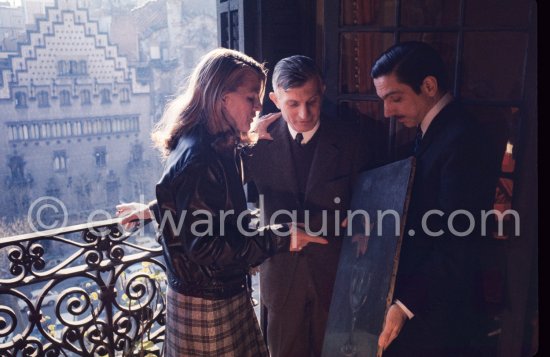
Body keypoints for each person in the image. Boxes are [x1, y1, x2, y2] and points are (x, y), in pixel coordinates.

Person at [117, 48, 327, 357]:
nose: (259, 106)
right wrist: (282, 237)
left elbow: (193, 203)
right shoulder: (201, 157)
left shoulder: (210, 143)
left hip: (214, 294)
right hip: (208, 305)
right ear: (221, 97)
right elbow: (206, 247)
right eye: (251, 97)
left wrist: (153, 209)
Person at [371, 41, 497, 356]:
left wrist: (404, 304)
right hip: (425, 300)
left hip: (440, 312)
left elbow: (459, 240)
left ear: (428, 86)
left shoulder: (462, 139)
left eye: (395, 98)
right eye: (383, 100)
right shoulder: (433, 131)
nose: (387, 112)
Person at [243, 55, 371, 357]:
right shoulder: (255, 142)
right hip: (280, 277)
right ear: (274, 99)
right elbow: (213, 185)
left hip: (336, 276)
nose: (304, 114)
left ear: (322, 90)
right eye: (292, 104)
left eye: (312, 102)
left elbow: (369, 205)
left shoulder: (353, 140)